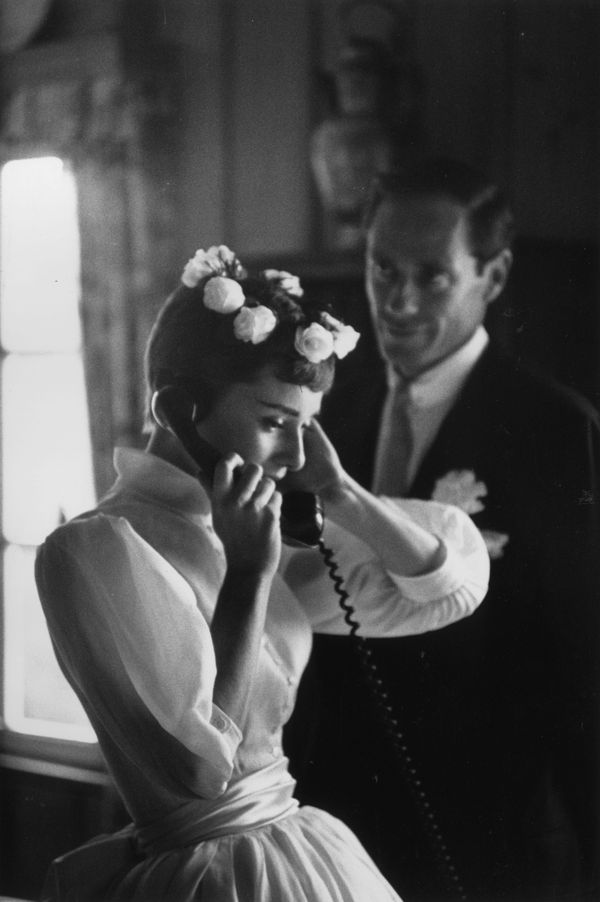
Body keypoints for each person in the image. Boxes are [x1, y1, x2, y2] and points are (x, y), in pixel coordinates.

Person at [34, 244, 490, 902]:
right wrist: (247, 574)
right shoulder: (97, 550)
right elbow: (198, 771)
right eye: (275, 422)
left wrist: (338, 492)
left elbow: (449, 591)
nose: (296, 453)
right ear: (179, 411)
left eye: (308, 426)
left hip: (304, 851)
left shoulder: (261, 528)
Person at [286, 159, 600, 902]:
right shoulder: (326, 410)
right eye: (382, 268)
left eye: (432, 277)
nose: (397, 301)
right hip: (338, 821)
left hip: (494, 834)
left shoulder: (558, 433)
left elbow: (585, 669)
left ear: (492, 277)